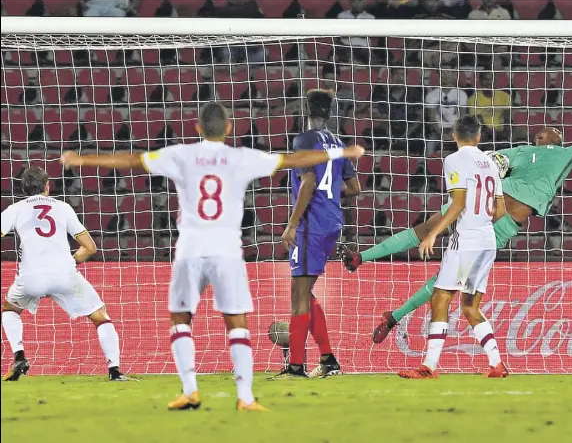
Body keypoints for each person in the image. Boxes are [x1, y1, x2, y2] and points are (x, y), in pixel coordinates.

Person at [339, 76, 572, 375]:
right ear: (538, 136)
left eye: (558, 130)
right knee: (427, 234)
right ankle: (362, 257)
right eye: (550, 129)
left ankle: (396, 320)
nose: (556, 131)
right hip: (478, 211)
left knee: (446, 286)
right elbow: (484, 164)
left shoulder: (565, 155)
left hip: (502, 227)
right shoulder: (520, 152)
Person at [60, 101, 365, 410]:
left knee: (181, 317)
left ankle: (191, 389)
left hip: (191, 247)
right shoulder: (240, 158)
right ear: (229, 128)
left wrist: (82, 159)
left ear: (197, 128)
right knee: (237, 320)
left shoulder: (180, 154)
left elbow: (130, 160)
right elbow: (291, 160)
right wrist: (342, 153)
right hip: (227, 249)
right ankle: (246, 397)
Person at [399, 116, 505, 379]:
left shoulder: (454, 160)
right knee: (469, 306)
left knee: (441, 298)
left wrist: (432, 233)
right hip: (487, 240)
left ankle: (429, 366)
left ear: (454, 136)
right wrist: (480, 221)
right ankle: (497, 364)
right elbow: (500, 211)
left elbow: (458, 203)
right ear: (479, 137)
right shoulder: (491, 164)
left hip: (467, 239)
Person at [1, 167, 130, 382]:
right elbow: (89, 247)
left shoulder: (14, 209)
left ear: (23, 188)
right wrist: (71, 261)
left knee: (10, 310)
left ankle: (20, 356)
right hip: (64, 274)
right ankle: (115, 370)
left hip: (30, 276)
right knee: (100, 316)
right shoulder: (63, 207)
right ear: (47, 185)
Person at [275, 90, 361, 379]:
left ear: (307, 110)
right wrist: (330, 194)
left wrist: (291, 224)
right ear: (329, 113)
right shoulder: (338, 143)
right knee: (304, 290)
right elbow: (354, 189)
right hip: (332, 221)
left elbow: (308, 182)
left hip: (310, 224)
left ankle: (296, 367)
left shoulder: (304, 140)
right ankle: (327, 359)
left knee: (298, 293)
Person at [468, 73, 511, 144]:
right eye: (485, 79)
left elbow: (507, 117)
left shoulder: (505, 96)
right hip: (483, 131)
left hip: (501, 129)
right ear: (480, 82)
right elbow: (478, 121)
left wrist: (505, 131)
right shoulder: (473, 99)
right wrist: (491, 132)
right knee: (480, 136)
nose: (489, 82)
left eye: (491, 79)